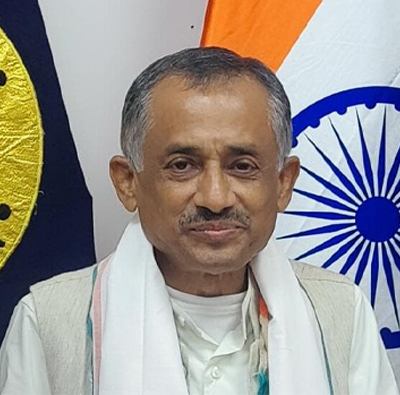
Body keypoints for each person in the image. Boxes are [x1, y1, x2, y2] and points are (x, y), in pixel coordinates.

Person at [0, 47, 398, 395]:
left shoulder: (341, 312)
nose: (215, 198)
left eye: (242, 166)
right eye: (182, 166)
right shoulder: (49, 321)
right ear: (128, 183)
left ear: (282, 183)